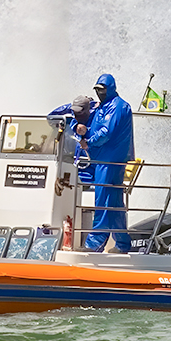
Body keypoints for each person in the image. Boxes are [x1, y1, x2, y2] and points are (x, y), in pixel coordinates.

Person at [64, 74, 135, 252]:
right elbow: (67, 115)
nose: (99, 93)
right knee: (115, 202)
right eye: (97, 90)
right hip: (105, 160)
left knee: (103, 199)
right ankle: (123, 243)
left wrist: (89, 142)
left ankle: (95, 243)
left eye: (102, 89)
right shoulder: (104, 105)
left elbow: (106, 132)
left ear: (110, 88)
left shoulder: (117, 106)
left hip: (109, 161)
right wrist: (75, 127)